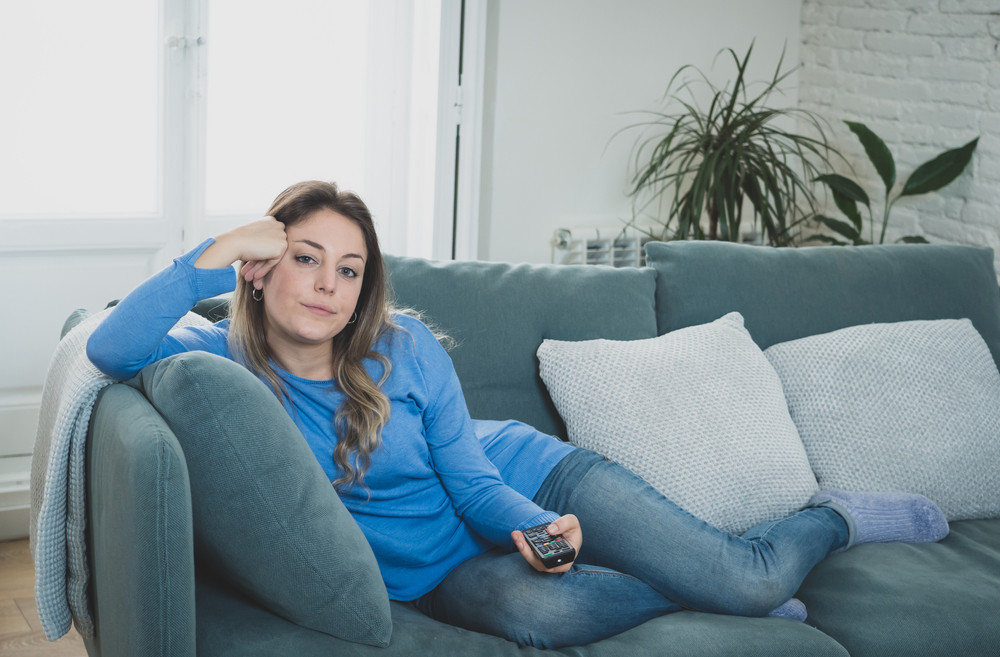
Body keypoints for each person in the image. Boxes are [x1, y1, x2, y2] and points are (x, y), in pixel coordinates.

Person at [87, 180, 950, 649]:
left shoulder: (403, 347)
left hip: (524, 478)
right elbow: (109, 344)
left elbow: (470, 478)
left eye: (348, 269)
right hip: (432, 574)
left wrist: (540, 523)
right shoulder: (219, 366)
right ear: (261, 270)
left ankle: (832, 516)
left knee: (752, 578)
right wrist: (215, 254)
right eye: (304, 258)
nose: (325, 284)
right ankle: (700, 584)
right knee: (550, 616)